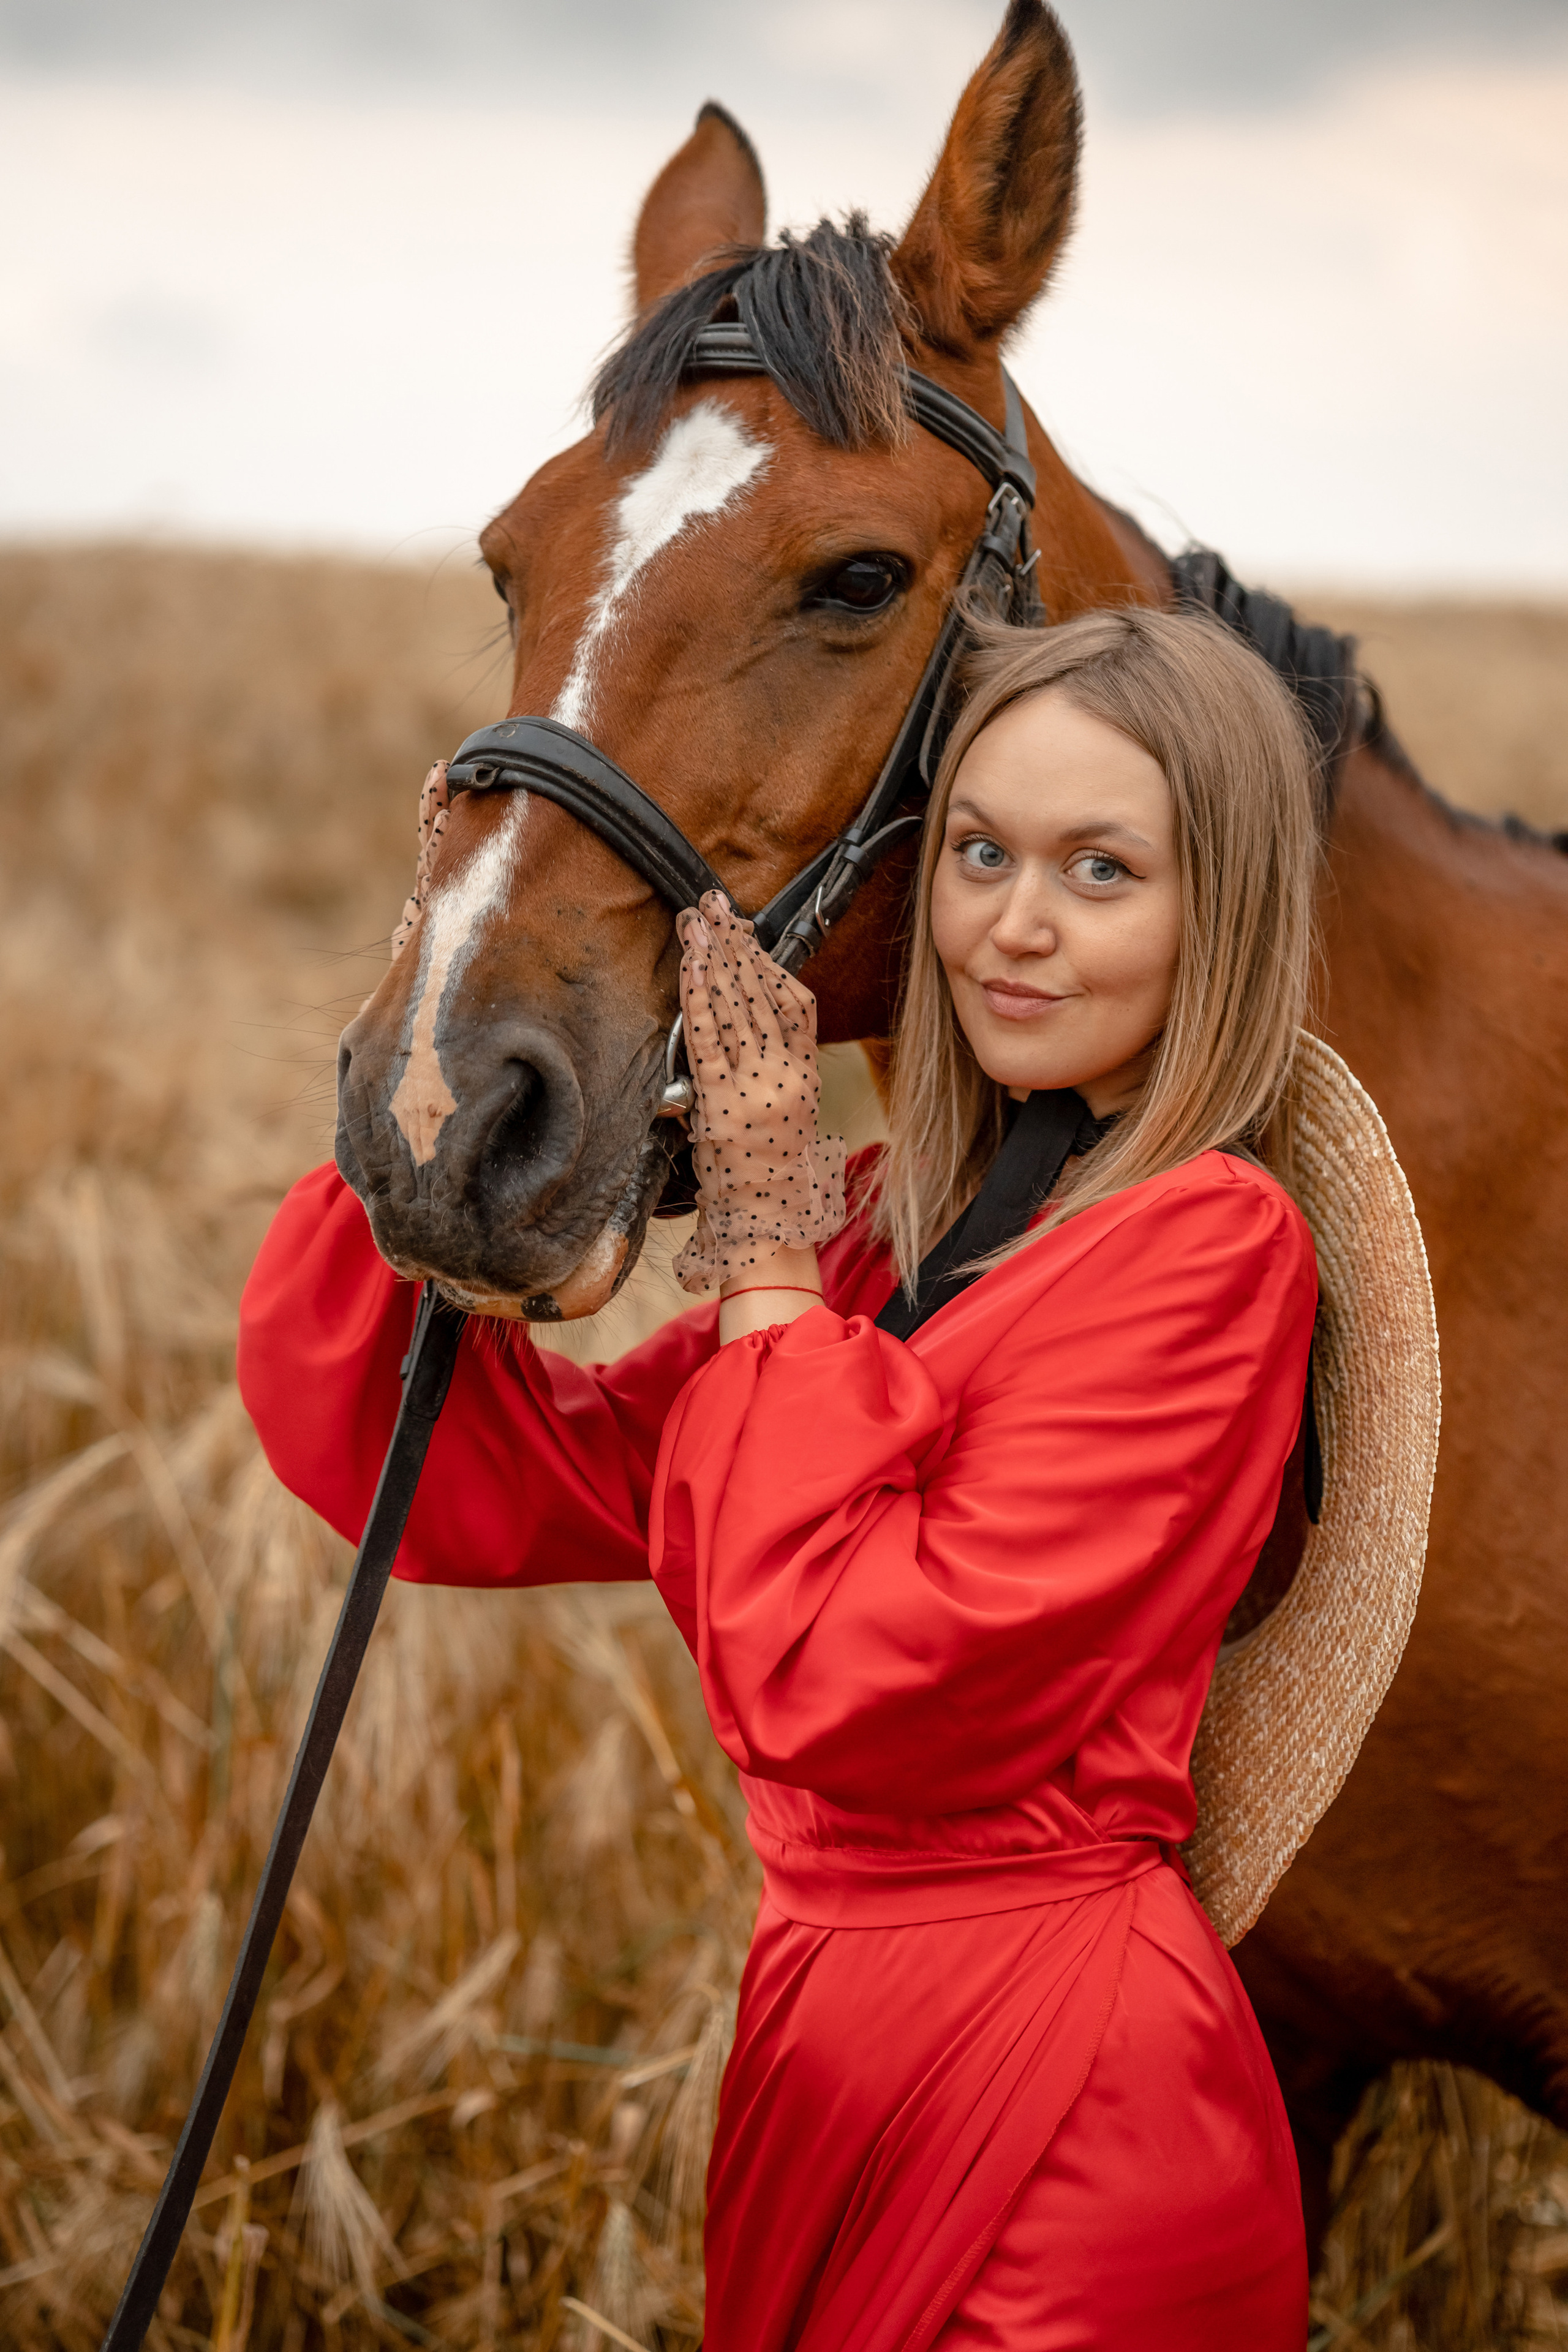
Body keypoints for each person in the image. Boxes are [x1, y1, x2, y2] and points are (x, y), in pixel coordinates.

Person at [239, 605, 1322, 2349]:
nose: (1016, 928)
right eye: (981, 851)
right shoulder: (898, 1244)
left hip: (1057, 2103)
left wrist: (757, 1247)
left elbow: (851, 1683)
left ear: (1225, 916)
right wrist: (439, 1027)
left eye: (1102, 870)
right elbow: (452, 1482)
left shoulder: (1209, 1249)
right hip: (830, 2055)